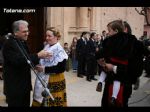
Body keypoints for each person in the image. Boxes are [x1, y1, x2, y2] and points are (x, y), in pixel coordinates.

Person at [96, 20, 150, 107]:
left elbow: (136, 70)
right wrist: (101, 63)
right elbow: (102, 57)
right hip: (108, 86)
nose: (109, 34)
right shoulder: (111, 42)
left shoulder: (135, 45)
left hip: (124, 87)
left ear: (125, 30)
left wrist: (114, 67)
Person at [2, 20, 51, 107]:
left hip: (24, 86)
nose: (27, 33)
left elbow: (27, 59)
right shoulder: (9, 44)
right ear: (16, 32)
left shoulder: (22, 42)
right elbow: (18, 61)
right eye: (24, 31)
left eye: (28, 31)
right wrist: (38, 55)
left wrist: (35, 65)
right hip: (15, 88)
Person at [32, 27, 68, 107]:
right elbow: (42, 60)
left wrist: (44, 69)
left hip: (54, 79)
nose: (47, 38)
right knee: (41, 99)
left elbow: (61, 68)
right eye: (46, 36)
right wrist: (38, 64)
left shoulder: (59, 50)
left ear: (56, 37)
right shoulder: (47, 46)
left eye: (49, 36)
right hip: (43, 77)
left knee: (52, 101)